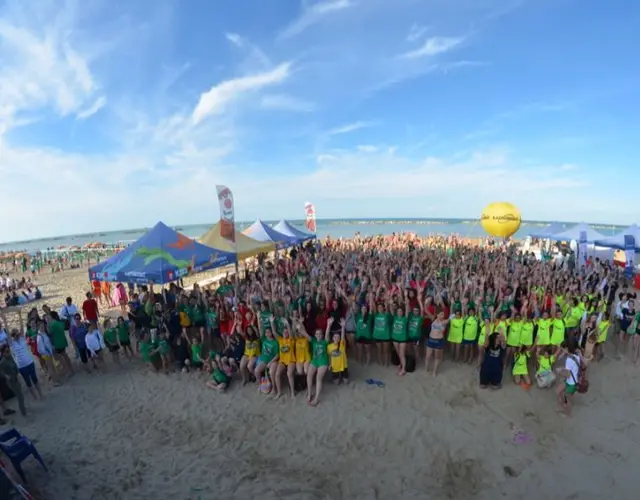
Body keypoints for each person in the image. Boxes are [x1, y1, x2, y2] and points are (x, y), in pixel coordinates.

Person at [556, 338, 583, 417]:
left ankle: (567, 413)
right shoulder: (577, 353)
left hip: (571, 383)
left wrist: (560, 371)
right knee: (558, 391)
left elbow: (567, 374)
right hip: (572, 380)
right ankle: (563, 404)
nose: (563, 350)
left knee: (568, 400)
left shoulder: (569, 360)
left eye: (563, 349)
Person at [0, 344, 27, 416]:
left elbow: (14, 364)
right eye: (6, 351)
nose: (8, 353)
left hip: (15, 377)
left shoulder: (10, 357)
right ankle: (23, 412)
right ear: (3, 353)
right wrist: (6, 376)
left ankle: (23, 408)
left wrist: (18, 373)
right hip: (11, 381)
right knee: (20, 396)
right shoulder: (3, 361)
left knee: (20, 394)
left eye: (9, 350)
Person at [328, 318, 349, 385]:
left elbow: (342, 336)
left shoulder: (342, 344)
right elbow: (329, 356)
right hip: (335, 367)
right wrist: (329, 364)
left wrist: (343, 327)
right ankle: (338, 376)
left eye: (338, 337)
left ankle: (344, 375)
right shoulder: (329, 346)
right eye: (335, 337)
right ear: (333, 338)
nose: (337, 338)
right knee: (336, 383)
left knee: (346, 382)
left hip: (343, 365)